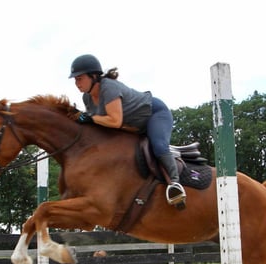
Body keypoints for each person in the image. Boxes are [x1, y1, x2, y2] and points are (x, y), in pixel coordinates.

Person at [68, 54, 186, 207]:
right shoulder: (87, 98)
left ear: (93, 76)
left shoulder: (109, 87)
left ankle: (175, 185)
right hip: (133, 126)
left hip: (155, 114)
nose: (77, 83)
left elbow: (114, 121)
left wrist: (89, 118)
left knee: (158, 146)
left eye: (79, 78)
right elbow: (97, 125)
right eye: (75, 80)